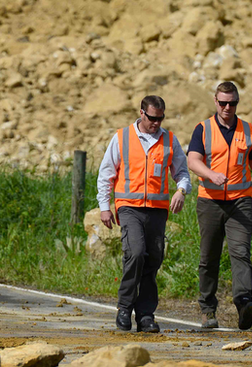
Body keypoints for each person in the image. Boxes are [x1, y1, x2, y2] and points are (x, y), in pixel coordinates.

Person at [187, 81, 252, 330]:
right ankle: (207, 310)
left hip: (240, 202)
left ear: (237, 103)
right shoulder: (203, 129)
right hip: (210, 202)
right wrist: (210, 174)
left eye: (233, 103)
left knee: (240, 253)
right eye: (223, 102)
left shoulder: (247, 131)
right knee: (209, 257)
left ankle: (244, 304)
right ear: (215, 102)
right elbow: (193, 160)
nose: (228, 107)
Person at [97, 95, 191, 333]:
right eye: (152, 118)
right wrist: (104, 206)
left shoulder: (169, 140)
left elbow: (182, 173)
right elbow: (106, 172)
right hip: (129, 207)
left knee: (153, 260)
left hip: (157, 211)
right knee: (136, 253)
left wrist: (181, 191)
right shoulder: (122, 138)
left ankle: (146, 315)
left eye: (160, 118)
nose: (156, 123)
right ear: (141, 113)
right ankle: (125, 308)